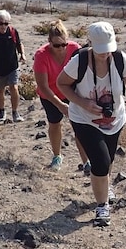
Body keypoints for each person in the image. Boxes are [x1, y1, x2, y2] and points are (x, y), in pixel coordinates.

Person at [56, 21, 126, 227]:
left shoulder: (119, 59)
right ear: (90, 44)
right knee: (100, 161)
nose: (105, 54)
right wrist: (83, 103)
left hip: (115, 119)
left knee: (108, 159)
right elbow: (62, 83)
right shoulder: (79, 61)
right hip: (83, 118)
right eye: (100, 51)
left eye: (108, 50)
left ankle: (104, 186)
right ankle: (102, 206)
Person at [32, 20, 89, 171]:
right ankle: (57, 156)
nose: (61, 48)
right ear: (49, 42)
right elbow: (43, 86)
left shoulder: (75, 49)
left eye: (63, 44)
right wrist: (59, 105)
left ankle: (86, 162)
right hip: (49, 94)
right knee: (55, 123)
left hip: (70, 92)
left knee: (79, 125)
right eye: (56, 45)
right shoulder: (41, 55)